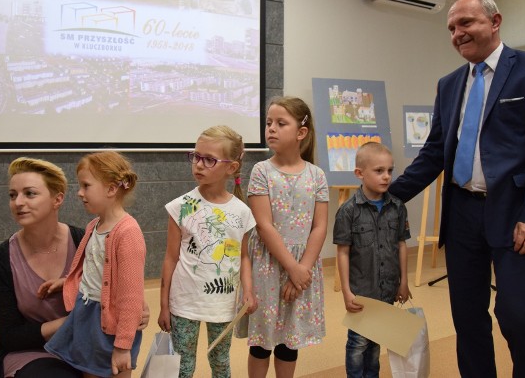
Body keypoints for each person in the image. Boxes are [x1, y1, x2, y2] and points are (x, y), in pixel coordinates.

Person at [389, 0, 525, 378]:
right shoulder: (449, 83)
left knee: (518, 314)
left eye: (466, 23)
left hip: (515, 215)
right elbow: (434, 152)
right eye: (452, 28)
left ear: (495, 21)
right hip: (462, 215)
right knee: (468, 317)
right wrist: (388, 196)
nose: (457, 33)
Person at [237, 96, 329, 378]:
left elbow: (320, 227)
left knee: (290, 340)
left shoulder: (316, 175)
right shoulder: (261, 171)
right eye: (268, 123)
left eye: (280, 123)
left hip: (303, 267)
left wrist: (302, 270)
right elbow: (264, 226)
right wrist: (292, 267)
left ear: (301, 133)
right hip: (269, 265)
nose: (271, 129)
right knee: (263, 342)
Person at [158, 125, 257, 378]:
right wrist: (163, 305)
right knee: (183, 364)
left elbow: (243, 256)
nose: (199, 165)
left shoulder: (242, 212)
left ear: (231, 167)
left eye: (209, 159)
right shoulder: (180, 206)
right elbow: (170, 258)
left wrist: (248, 290)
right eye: (196, 156)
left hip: (222, 305)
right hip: (184, 303)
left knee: (221, 360)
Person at [45, 151, 147, 377]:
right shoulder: (94, 225)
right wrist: (67, 282)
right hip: (88, 315)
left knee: (113, 371)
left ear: (111, 189)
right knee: (89, 371)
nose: (80, 193)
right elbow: (96, 270)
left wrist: (122, 346)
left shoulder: (128, 232)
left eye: (86, 186)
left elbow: (131, 296)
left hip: (112, 323)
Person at [0, 157, 84, 378]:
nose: (18, 202)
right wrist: (68, 322)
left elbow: (114, 290)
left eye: (29, 193)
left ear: (57, 199)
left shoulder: (85, 242)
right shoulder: (1, 260)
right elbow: (10, 336)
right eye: (13, 195)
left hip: (85, 345)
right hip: (31, 352)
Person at [333, 142, 411, 378]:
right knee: (358, 345)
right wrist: (346, 291)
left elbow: (401, 244)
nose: (386, 177)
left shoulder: (397, 207)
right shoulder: (348, 210)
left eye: (390, 170)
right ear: (360, 173)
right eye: (379, 171)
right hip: (361, 292)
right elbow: (343, 252)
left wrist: (404, 281)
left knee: (376, 342)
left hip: (387, 289)